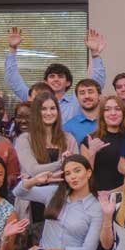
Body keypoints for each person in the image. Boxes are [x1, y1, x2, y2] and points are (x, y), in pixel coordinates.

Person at [4, 26, 106, 124]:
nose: (56, 79)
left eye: (60, 76)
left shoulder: (76, 101)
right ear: (45, 82)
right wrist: (12, 49)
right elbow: (13, 81)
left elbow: (96, 84)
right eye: (52, 76)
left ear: (68, 82)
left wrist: (95, 53)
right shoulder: (35, 98)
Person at [14, 92, 78, 221]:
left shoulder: (68, 139)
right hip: (33, 201)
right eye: (44, 109)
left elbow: (76, 169)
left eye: (52, 108)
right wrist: (61, 163)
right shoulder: (24, 139)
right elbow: (33, 170)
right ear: (36, 112)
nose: (49, 113)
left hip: (61, 200)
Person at [80, 95, 125, 193]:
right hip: (97, 197)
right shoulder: (90, 139)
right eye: (107, 109)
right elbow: (83, 176)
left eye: (117, 109)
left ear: (123, 113)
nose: (113, 113)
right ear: (102, 114)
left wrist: (111, 193)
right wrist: (92, 153)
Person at [63, 79, 103, 144]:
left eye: (90, 92)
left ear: (99, 96)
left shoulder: (109, 121)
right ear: (77, 98)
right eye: (82, 93)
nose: (87, 96)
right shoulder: (67, 127)